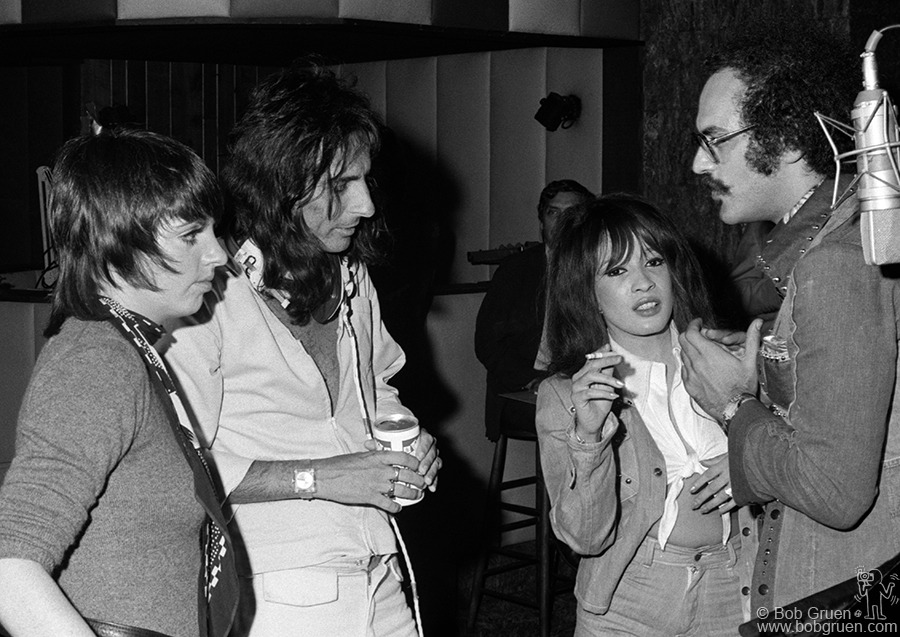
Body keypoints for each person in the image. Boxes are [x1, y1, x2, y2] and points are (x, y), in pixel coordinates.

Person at [163, 61, 441, 637]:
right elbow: (176, 462)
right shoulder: (206, 297)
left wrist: (407, 439)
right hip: (275, 590)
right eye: (342, 185)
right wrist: (320, 477)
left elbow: (377, 387)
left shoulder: (351, 276)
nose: (365, 205)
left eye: (365, 181)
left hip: (381, 572)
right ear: (280, 187)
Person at [680, 22, 900, 614]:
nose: (700, 164)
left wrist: (731, 404)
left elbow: (834, 491)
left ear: (786, 140)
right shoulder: (850, 234)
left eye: (715, 139)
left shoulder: (836, 263)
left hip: (843, 595)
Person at [0, 128, 238, 637]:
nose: (219, 255)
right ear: (119, 239)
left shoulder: (125, 348)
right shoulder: (96, 358)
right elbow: (8, 567)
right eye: (192, 234)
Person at [536, 194, 756, 636]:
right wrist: (590, 436)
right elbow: (584, 538)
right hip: (629, 601)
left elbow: (805, 464)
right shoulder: (564, 395)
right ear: (589, 294)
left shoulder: (730, 360)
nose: (643, 283)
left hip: (736, 586)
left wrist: (752, 466)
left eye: (653, 262)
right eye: (617, 271)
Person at [475, 179, 592, 440]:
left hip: (581, 385)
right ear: (542, 222)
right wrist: (534, 380)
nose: (562, 222)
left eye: (571, 214)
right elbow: (487, 345)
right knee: (563, 414)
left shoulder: (599, 269)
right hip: (522, 391)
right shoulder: (515, 271)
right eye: (553, 213)